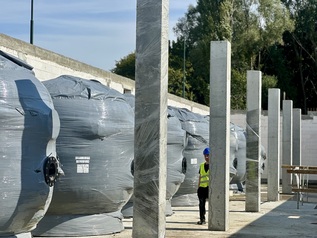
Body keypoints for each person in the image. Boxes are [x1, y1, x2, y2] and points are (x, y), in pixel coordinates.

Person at [197, 147, 210, 225]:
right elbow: (200, 176)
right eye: (205, 155)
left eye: (208, 155)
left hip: (209, 188)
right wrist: (198, 187)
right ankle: (202, 219)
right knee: (201, 204)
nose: (207, 157)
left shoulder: (214, 166)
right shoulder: (202, 165)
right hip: (202, 188)